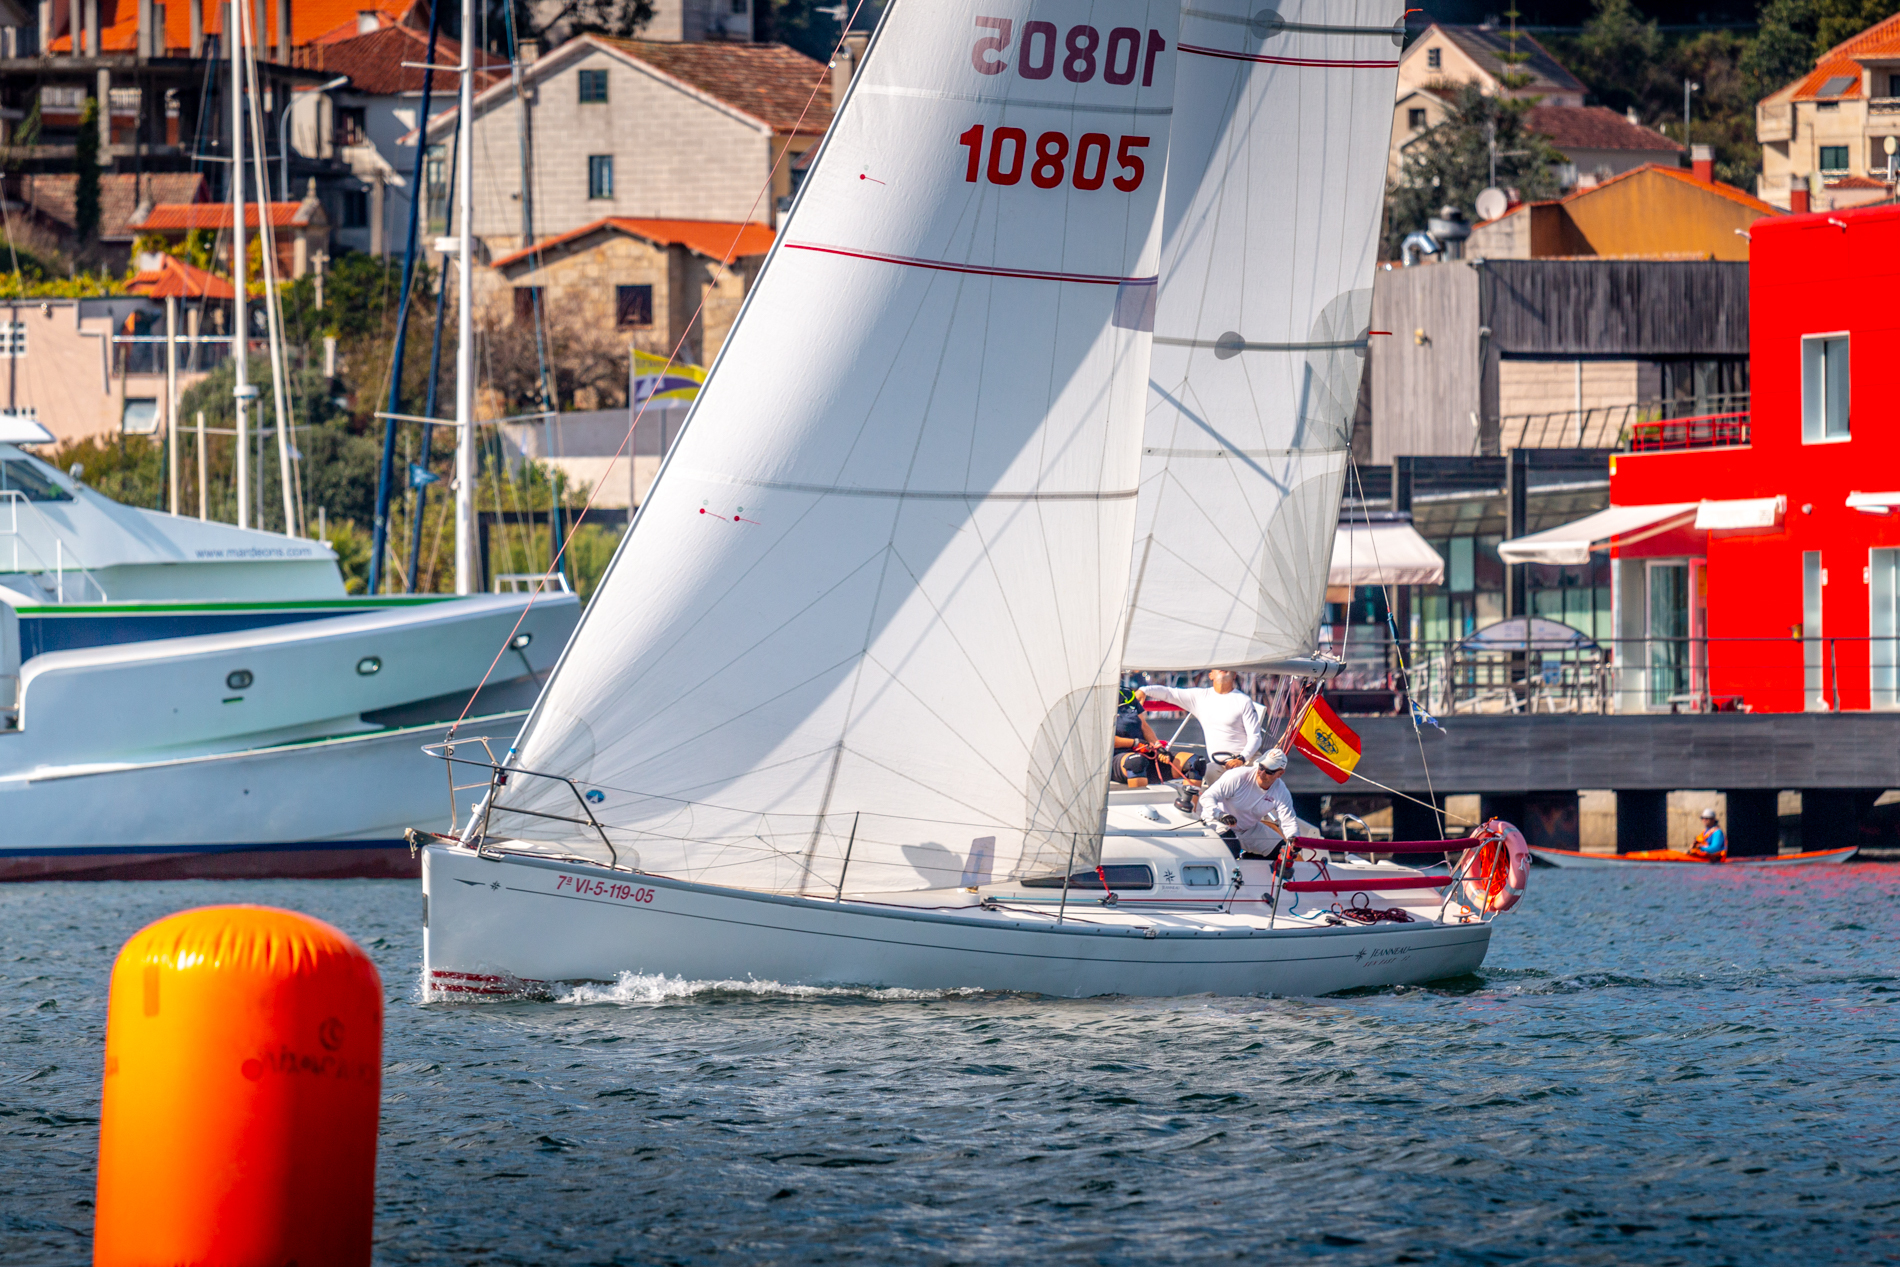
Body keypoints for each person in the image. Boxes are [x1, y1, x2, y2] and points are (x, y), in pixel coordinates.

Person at [1134, 669, 1265, 809]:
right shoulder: (1200, 697)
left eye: (1228, 667)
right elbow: (1170, 693)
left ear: (1234, 675)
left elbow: (1255, 736)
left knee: (1263, 785)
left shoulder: (1243, 701)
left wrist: (1241, 758)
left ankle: (1259, 813)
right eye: (1219, 667)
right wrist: (1144, 690)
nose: (1223, 668)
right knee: (1209, 771)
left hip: (1247, 762)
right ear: (1210, 675)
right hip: (1219, 765)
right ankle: (1229, 814)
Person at [1199, 749, 1301, 859]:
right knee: (1232, 849)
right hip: (1217, 821)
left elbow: (1288, 820)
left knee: (1282, 852)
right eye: (1261, 767)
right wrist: (1220, 815)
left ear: (1280, 773)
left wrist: (1294, 838)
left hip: (1248, 829)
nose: (1262, 773)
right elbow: (1207, 797)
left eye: (1269, 771)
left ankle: (1247, 861)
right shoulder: (1238, 776)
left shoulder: (1281, 791)